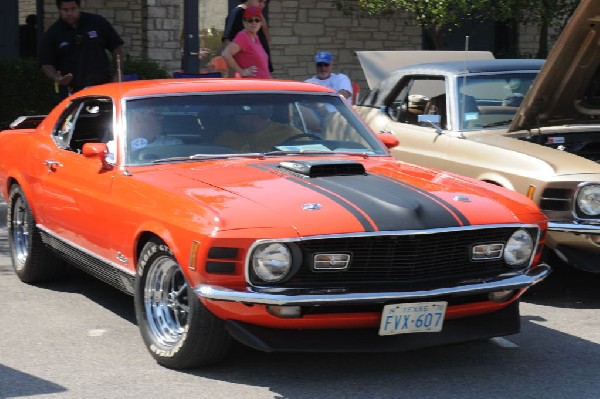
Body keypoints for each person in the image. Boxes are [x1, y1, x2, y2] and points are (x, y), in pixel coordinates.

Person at [39, 0, 125, 99]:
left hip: (103, 86)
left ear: (79, 7)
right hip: (72, 91)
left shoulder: (97, 22)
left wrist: (119, 72)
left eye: (73, 9)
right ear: (59, 10)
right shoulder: (53, 33)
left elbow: (116, 47)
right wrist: (57, 78)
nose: (69, 13)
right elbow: (46, 64)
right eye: (65, 10)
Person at [213, 104, 301, 152]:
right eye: (237, 115)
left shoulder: (290, 134)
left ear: (262, 114)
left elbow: (310, 154)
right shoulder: (226, 137)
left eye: (243, 115)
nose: (238, 119)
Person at [222, 0, 272, 76]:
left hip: (263, 80)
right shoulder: (238, 14)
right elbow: (227, 50)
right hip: (250, 83)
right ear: (244, 22)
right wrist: (240, 72)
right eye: (250, 20)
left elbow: (268, 39)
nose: (254, 23)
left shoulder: (256, 37)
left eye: (257, 20)